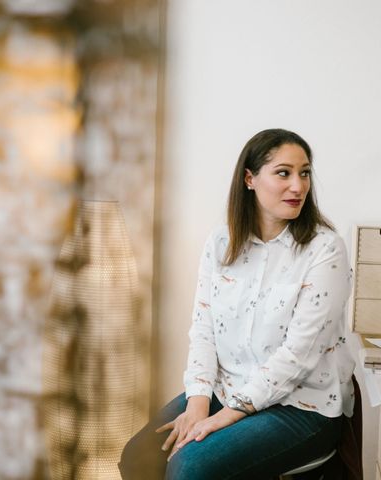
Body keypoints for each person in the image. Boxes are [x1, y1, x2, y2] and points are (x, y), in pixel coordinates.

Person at [119, 128, 356, 479]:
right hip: (226, 388)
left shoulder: (325, 250)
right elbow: (203, 328)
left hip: (302, 407)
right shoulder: (221, 241)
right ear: (250, 178)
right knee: (138, 456)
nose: (298, 186)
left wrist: (225, 416)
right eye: (283, 173)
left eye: (304, 172)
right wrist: (199, 400)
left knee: (190, 468)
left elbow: (297, 355)